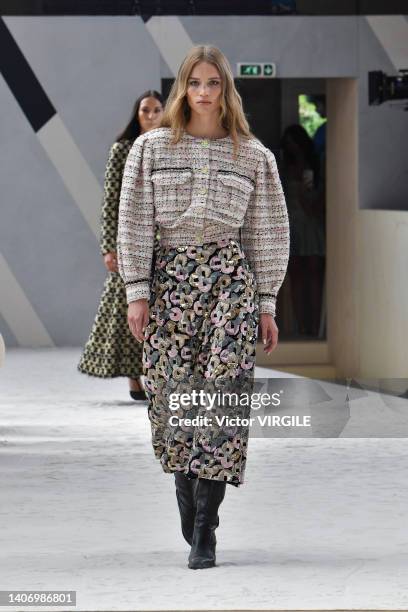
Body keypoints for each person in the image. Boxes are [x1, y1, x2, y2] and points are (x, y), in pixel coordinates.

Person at [117, 45, 290, 569]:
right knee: (172, 401)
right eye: (195, 83)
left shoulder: (254, 156)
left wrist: (266, 302)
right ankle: (189, 503)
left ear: (226, 90)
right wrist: (136, 291)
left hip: (228, 284)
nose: (205, 92)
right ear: (183, 90)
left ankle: (205, 529)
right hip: (169, 283)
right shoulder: (149, 150)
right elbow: (134, 221)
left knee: (221, 398)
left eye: (214, 83)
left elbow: (268, 230)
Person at [78, 91, 164, 400]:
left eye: (156, 110)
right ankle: (133, 377)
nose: (151, 115)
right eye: (145, 110)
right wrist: (108, 247)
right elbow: (110, 202)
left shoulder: (171, 148)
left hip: (163, 245)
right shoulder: (122, 150)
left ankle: (156, 373)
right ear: (137, 114)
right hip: (129, 244)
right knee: (127, 310)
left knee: (161, 312)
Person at [280, 124, 325, 336]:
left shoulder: (315, 165)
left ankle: (315, 327)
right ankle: (301, 327)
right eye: (289, 146)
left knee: (315, 275)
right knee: (296, 275)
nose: (293, 149)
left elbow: (317, 198)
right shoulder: (283, 167)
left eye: (295, 144)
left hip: (311, 223)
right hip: (291, 224)